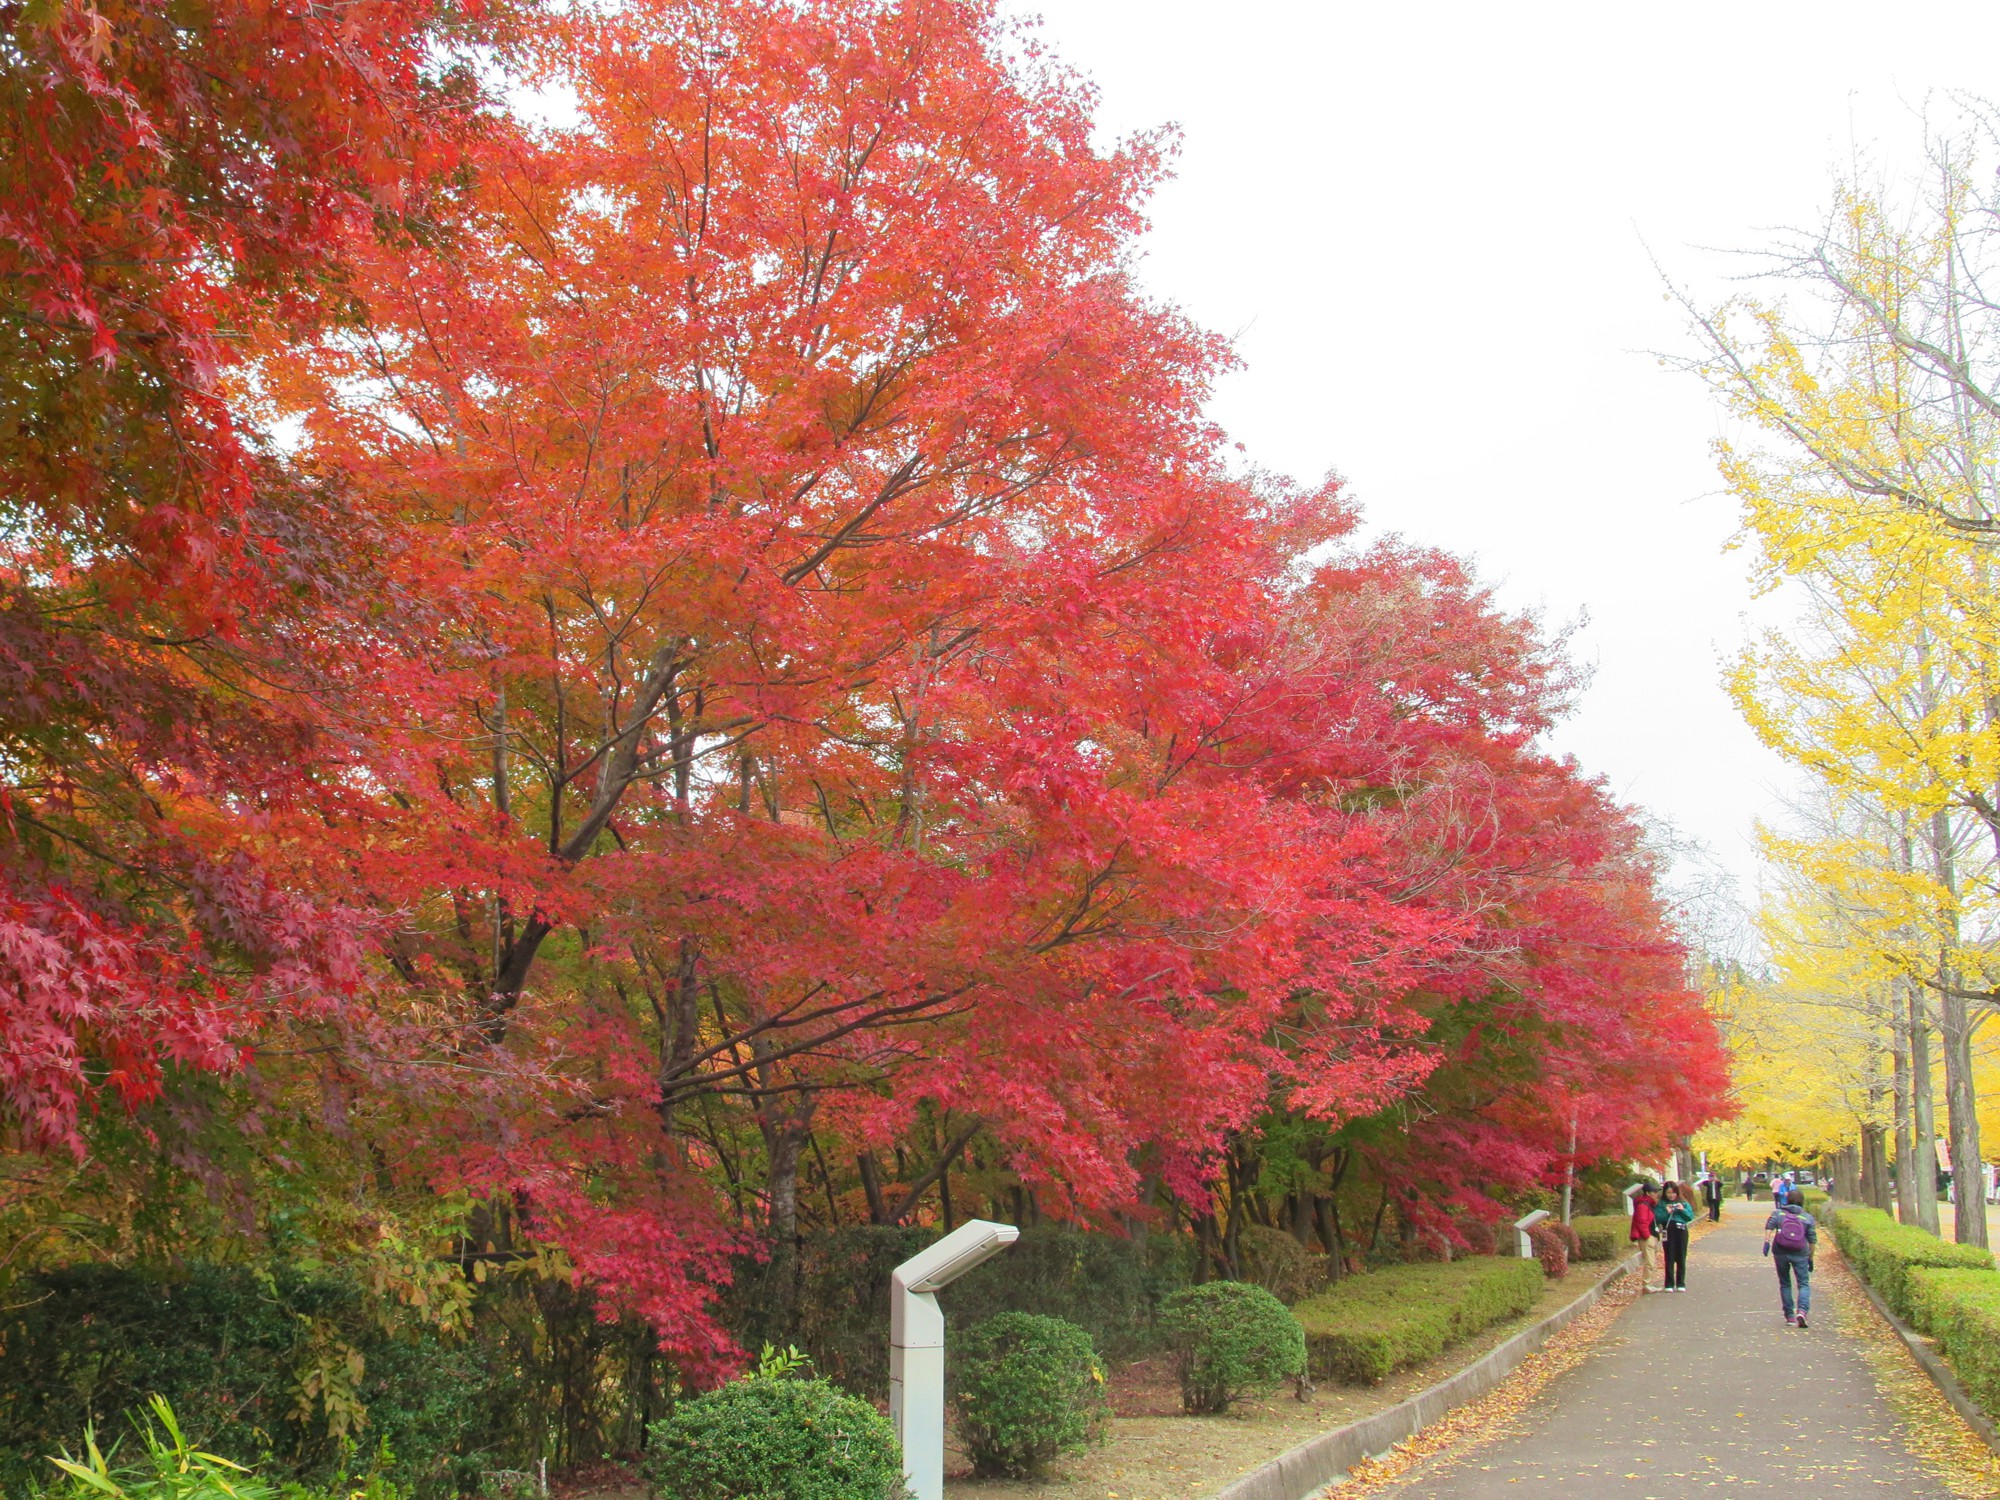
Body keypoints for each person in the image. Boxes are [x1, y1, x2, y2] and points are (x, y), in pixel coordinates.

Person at [1763, 1187, 1818, 1328]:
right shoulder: (1807, 1218)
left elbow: (1769, 1226)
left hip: (1780, 1251)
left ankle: (1789, 1316)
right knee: (1803, 1284)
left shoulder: (1779, 1213)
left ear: (1787, 1200)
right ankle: (1802, 1311)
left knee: (1785, 1283)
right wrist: (1810, 1258)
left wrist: (1767, 1242)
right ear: (1802, 1202)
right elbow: (1812, 1241)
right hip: (1800, 1253)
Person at [1657, 1181, 1695, 1290]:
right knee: (1669, 1256)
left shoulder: (1683, 1202)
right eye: (1668, 1193)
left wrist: (1682, 1210)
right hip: (1668, 1231)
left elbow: (1690, 1216)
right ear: (1664, 1193)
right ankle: (1669, 1283)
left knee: (1681, 1256)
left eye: (1673, 1193)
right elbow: (1658, 1217)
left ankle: (1681, 1283)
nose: (1671, 1195)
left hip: (1681, 1231)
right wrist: (1667, 1212)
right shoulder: (1661, 1204)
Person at [1629, 1182, 1659, 1291]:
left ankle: (1648, 1283)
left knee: (1651, 1261)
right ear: (1647, 1193)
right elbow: (1642, 1222)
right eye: (1654, 1192)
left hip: (1652, 1235)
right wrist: (1647, 1236)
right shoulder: (1643, 1205)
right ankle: (1646, 1285)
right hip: (1647, 1237)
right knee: (1649, 1262)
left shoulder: (1649, 1204)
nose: (1656, 1194)